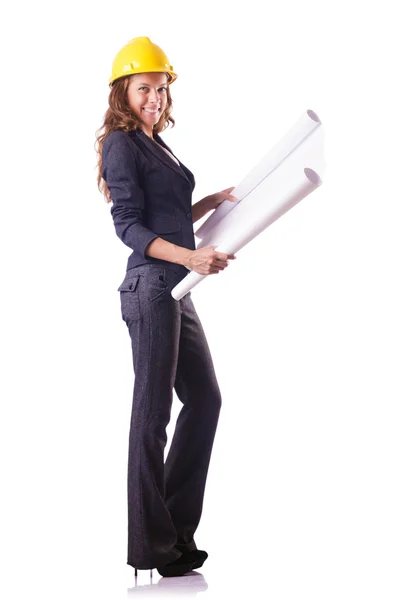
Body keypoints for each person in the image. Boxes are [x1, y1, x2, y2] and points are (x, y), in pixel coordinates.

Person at [95, 36, 237, 578]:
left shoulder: (157, 143)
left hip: (176, 284)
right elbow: (130, 228)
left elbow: (171, 214)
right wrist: (191, 258)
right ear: (121, 93)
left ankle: (174, 533)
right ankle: (149, 548)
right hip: (151, 286)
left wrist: (212, 202)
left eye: (160, 88)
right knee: (152, 415)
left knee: (205, 401)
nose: (154, 98)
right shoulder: (120, 143)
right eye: (143, 89)